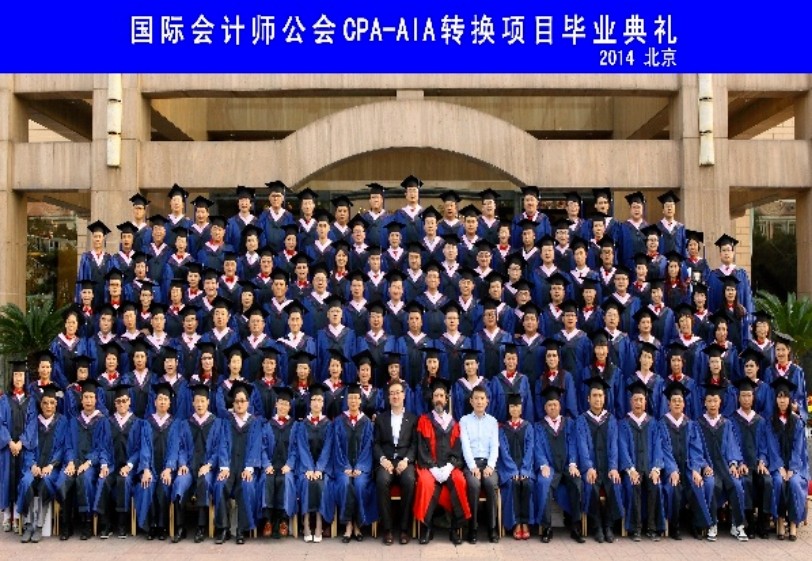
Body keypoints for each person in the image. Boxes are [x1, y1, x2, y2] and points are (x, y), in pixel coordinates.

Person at [413, 378, 471, 545]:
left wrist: (449, 467)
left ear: (446, 400)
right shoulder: (424, 420)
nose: (438, 399)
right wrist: (432, 468)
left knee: (459, 481)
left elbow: (458, 449)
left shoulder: (454, 423)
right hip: (429, 466)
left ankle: (454, 528)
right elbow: (421, 448)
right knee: (425, 482)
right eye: (436, 395)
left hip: (449, 467)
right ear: (432, 399)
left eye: (441, 396)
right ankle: (427, 527)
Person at [55, 379, 111, 540]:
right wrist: (71, 462)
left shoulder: (102, 421)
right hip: (74, 462)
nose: (88, 400)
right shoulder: (74, 421)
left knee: (84, 479)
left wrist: (88, 462)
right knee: (64, 478)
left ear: (96, 400)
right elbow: (68, 445)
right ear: (81, 399)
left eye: (91, 397)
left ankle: (86, 522)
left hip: (91, 464)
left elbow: (102, 447)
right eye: (85, 397)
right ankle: (66, 523)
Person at [658, 380, 715, 540]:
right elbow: (664, 450)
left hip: (689, 467)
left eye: (680, 400)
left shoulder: (690, 424)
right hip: (670, 469)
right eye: (674, 400)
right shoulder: (662, 424)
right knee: (672, 487)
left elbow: (696, 449)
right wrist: (672, 470)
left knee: (697, 484)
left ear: (684, 404)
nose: (677, 403)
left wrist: (696, 469)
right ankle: (675, 525)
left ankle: (695, 524)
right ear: (669, 404)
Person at [696, 382, 748, 541]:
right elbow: (696, 448)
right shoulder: (698, 424)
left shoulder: (726, 423)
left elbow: (732, 446)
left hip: (725, 467)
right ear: (705, 403)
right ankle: (712, 524)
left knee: (737, 484)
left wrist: (733, 464)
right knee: (710, 484)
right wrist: (704, 465)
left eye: (715, 401)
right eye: (709, 400)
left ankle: (737, 525)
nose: (712, 404)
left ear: (720, 403)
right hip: (709, 467)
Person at [213, 380, 262, 545]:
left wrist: (249, 467)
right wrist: (224, 467)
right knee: (220, 485)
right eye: (236, 401)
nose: (239, 404)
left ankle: (242, 529)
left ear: (248, 403)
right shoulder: (226, 422)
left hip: (245, 467)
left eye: (242, 401)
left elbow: (256, 446)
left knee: (247, 487)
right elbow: (222, 444)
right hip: (229, 466)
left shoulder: (254, 423)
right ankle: (223, 528)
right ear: (232, 403)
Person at [16, 383, 67, 544]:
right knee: (26, 482)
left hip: (51, 468)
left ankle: (39, 525)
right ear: (41, 404)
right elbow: (29, 447)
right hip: (34, 467)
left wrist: (51, 465)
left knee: (46, 482)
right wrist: (32, 465)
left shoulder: (62, 421)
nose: (48, 406)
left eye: (52, 403)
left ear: (56, 404)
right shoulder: (34, 422)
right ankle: (28, 524)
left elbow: (62, 448)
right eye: (45, 403)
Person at [576, 376, 623, 543]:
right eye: (594, 396)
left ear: (605, 398)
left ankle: (609, 526)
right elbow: (582, 446)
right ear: (588, 399)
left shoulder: (611, 419)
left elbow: (614, 446)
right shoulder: (582, 420)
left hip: (607, 466)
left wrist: (613, 467)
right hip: (591, 468)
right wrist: (588, 467)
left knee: (614, 484)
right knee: (590, 486)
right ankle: (596, 526)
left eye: (600, 396)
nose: (598, 399)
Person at [173, 383, 222, 543]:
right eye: (197, 401)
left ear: (208, 402)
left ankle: (201, 526)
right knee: (179, 482)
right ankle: (180, 526)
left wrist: (209, 465)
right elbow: (180, 447)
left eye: (203, 401)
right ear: (192, 403)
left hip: (208, 469)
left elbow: (219, 449)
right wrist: (182, 464)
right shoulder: (186, 423)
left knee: (204, 482)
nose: (200, 404)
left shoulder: (216, 423)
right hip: (189, 466)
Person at [534, 386, 584, 543]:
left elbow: (574, 444)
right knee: (543, 483)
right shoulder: (539, 426)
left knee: (576, 482)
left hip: (567, 466)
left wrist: (573, 463)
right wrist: (543, 465)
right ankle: (547, 527)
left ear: (560, 406)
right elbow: (538, 448)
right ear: (545, 408)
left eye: (555, 404)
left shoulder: (569, 423)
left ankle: (575, 526)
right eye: (549, 405)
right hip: (550, 468)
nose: (552, 407)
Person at [618, 380, 665, 541]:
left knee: (655, 485)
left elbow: (658, 446)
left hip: (650, 467)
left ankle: (652, 528)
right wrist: (630, 469)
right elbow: (622, 448)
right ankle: (636, 529)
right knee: (633, 486)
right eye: (635, 400)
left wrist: (656, 468)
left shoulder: (653, 423)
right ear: (631, 402)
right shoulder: (624, 423)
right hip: (632, 468)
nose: (638, 403)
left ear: (645, 402)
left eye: (641, 400)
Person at [95, 384, 143, 539]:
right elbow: (102, 447)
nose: (121, 404)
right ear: (115, 404)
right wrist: (103, 464)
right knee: (103, 480)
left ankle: (122, 524)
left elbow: (139, 449)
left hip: (129, 468)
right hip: (111, 465)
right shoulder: (107, 422)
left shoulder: (137, 423)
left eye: (124, 401)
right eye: (118, 401)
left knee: (124, 481)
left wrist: (129, 465)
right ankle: (105, 524)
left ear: (129, 402)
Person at [136, 381, 183, 540]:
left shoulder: (175, 423)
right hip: (151, 467)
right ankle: (151, 526)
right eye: (160, 399)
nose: (162, 402)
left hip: (167, 468)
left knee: (164, 486)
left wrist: (169, 469)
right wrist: (146, 469)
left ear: (170, 403)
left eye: (165, 399)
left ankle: (162, 526)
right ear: (155, 402)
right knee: (147, 485)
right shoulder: (147, 422)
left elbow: (174, 448)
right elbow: (144, 447)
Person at [331, 384, 377, 542]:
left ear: (360, 400)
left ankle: (358, 524)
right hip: (342, 467)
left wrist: (360, 467)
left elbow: (368, 448)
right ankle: (348, 525)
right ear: (347, 400)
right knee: (344, 483)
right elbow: (336, 447)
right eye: (350, 398)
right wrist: (345, 466)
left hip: (361, 467)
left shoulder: (367, 423)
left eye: (356, 398)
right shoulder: (338, 421)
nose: (353, 401)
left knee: (359, 484)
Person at [373, 379, 417, 545]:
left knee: (409, 480)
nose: (395, 396)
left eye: (398, 393)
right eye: (392, 394)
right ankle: (388, 529)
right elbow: (376, 444)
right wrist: (383, 459)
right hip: (387, 460)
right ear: (388, 397)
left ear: (404, 395)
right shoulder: (381, 419)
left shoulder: (412, 419)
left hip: (405, 461)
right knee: (382, 480)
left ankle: (404, 528)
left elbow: (414, 444)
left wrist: (406, 460)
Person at [765, 378, 809, 541]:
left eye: (785, 397)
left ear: (790, 400)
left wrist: (792, 468)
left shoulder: (797, 422)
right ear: (775, 400)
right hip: (777, 465)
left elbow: (798, 448)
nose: (782, 400)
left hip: (796, 466)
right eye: (779, 397)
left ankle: (793, 522)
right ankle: (780, 520)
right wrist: (779, 467)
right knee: (777, 481)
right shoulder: (771, 421)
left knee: (795, 483)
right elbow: (772, 446)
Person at [729, 377, 773, 539]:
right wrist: (739, 462)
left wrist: (762, 460)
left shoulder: (760, 421)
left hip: (757, 463)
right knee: (746, 481)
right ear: (738, 398)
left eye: (749, 395)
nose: (746, 399)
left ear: (753, 398)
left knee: (767, 481)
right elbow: (732, 444)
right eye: (743, 396)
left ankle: (763, 522)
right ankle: (750, 523)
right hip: (743, 465)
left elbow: (764, 445)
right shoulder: (732, 420)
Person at [292, 383, 334, 543]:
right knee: (306, 482)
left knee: (321, 483)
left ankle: (319, 521)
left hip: (323, 468)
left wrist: (319, 469)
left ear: (323, 403)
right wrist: (309, 468)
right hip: (305, 467)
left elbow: (328, 448)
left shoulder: (328, 424)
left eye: (319, 400)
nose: (316, 403)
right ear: (310, 403)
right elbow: (302, 447)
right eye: (314, 399)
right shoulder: (302, 424)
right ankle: (306, 521)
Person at [459, 385, 500, 544]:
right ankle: (473, 528)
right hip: (472, 463)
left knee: (490, 483)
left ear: (487, 401)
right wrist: (472, 467)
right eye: (476, 398)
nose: (479, 401)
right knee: (474, 484)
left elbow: (494, 446)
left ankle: (492, 528)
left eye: (482, 398)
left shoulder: (492, 421)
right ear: (471, 401)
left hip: (488, 463)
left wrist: (490, 466)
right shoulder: (464, 421)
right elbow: (465, 445)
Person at [258, 387, 297, 540]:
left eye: (286, 404)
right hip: (271, 465)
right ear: (276, 404)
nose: (283, 407)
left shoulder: (295, 426)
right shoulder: (268, 425)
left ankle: (283, 520)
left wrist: (290, 464)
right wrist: (266, 464)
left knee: (286, 480)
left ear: (290, 407)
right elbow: (262, 448)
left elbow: (296, 449)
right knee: (267, 479)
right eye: (280, 403)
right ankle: (267, 521)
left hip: (286, 466)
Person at [1, 360, 34, 532]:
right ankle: (7, 515)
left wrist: (21, 442)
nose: (18, 378)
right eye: (15, 375)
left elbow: (32, 424)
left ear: (25, 377)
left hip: (22, 448)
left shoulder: (30, 400)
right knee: (6, 480)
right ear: (12, 377)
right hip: (8, 448)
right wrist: (9, 441)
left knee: (20, 479)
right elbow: (0, 423)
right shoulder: (4, 399)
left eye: (20, 375)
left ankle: (17, 517)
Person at [497, 392, 535, 541]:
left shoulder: (528, 427)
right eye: (512, 406)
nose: (514, 409)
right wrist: (513, 470)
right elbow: (504, 452)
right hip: (508, 470)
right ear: (508, 408)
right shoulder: (503, 429)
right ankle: (515, 524)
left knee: (526, 483)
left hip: (526, 468)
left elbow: (530, 450)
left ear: (521, 408)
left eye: (517, 406)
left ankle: (525, 523)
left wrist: (524, 470)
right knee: (513, 483)